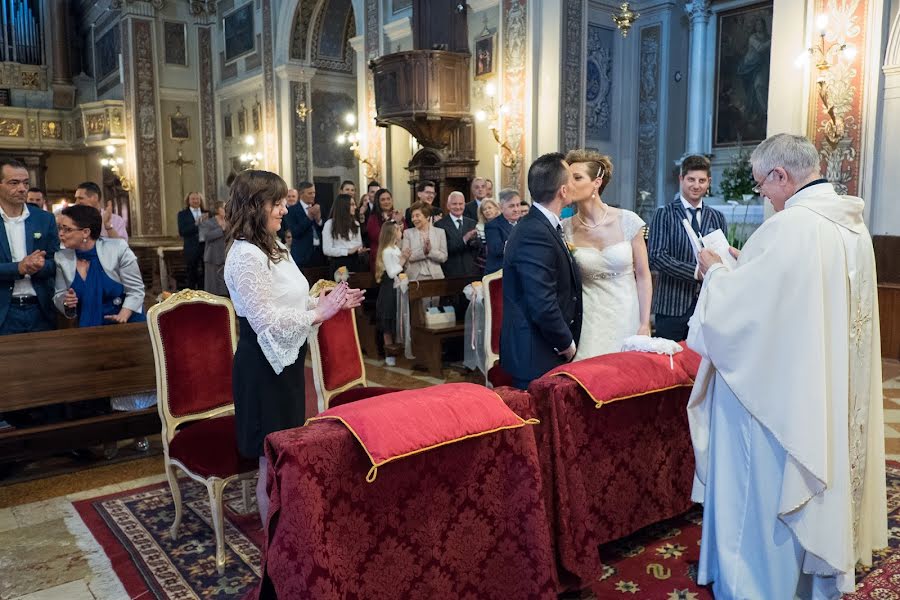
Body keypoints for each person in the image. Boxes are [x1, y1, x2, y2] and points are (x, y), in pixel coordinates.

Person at [687, 133, 887, 598]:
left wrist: (716, 271)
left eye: (761, 184)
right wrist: (744, 266)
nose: (762, 194)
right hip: (827, 386)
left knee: (761, 491)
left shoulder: (790, 227)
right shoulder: (850, 225)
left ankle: (755, 584)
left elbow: (739, 317)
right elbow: (793, 299)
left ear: (782, 175)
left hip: (779, 401)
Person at [224, 169, 364, 523]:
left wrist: (330, 303)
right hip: (261, 368)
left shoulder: (275, 246)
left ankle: (290, 533)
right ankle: (275, 545)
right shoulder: (244, 256)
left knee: (286, 451)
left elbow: (291, 304)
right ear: (255, 206)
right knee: (268, 461)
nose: (285, 209)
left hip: (285, 362)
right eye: (277, 202)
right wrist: (319, 313)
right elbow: (266, 320)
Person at [500, 153, 582, 390]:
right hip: (537, 352)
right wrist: (566, 342)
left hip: (542, 349)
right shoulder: (535, 231)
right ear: (563, 191)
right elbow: (542, 301)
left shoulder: (542, 225)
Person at [562, 150, 651, 358]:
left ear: (597, 182)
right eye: (567, 179)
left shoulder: (629, 221)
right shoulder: (564, 228)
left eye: (577, 178)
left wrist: (644, 323)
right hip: (588, 319)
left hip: (626, 313)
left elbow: (643, 274)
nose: (569, 184)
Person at [648, 154, 726, 342]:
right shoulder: (664, 214)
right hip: (672, 306)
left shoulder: (717, 217)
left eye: (701, 180)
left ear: (709, 182)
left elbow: (721, 256)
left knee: (699, 365)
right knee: (669, 365)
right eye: (691, 179)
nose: (696, 185)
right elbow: (657, 256)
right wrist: (696, 272)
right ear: (681, 179)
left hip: (707, 307)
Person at [54, 204, 146, 326]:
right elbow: (59, 295)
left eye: (67, 229)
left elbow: (136, 290)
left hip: (126, 323)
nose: (61, 234)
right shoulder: (61, 258)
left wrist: (123, 315)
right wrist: (66, 302)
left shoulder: (117, 249)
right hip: (88, 328)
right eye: (60, 228)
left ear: (86, 232)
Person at [0, 158, 59, 336]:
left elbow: (56, 262)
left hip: (40, 309)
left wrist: (40, 265)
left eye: (26, 183)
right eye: (14, 183)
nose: (22, 189)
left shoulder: (44, 219)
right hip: (5, 311)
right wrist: (18, 268)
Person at [374, 221, 407, 366]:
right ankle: (389, 353)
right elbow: (392, 271)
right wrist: (404, 260)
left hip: (398, 287)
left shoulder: (396, 248)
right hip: (389, 288)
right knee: (388, 320)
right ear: (392, 233)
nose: (401, 232)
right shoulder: (387, 251)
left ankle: (398, 351)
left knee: (396, 318)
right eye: (399, 230)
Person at [434, 191, 480, 278]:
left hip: (471, 272)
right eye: (454, 204)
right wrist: (465, 239)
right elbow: (445, 249)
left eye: (460, 204)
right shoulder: (439, 225)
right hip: (450, 273)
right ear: (448, 206)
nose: (458, 207)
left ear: (464, 205)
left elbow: (477, 248)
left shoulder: (472, 223)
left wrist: (475, 241)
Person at [283, 181, 325, 268]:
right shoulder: (292, 211)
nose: (313, 195)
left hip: (319, 255)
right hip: (302, 256)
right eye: (310, 193)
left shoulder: (318, 207)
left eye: (314, 193)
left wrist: (318, 220)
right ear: (301, 194)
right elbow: (295, 232)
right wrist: (309, 217)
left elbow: (324, 229)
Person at [322, 193, 367, 273]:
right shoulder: (329, 224)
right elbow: (327, 250)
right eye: (352, 205)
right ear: (343, 206)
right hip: (339, 262)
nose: (355, 207)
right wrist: (347, 251)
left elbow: (358, 243)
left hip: (355, 261)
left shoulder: (356, 224)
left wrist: (360, 249)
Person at [403, 202, 447, 282]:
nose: (414, 219)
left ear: (427, 217)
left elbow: (444, 257)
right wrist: (423, 252)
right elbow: (407, 257)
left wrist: (430, 251)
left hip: (435, 277)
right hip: (414, 277)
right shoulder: (407, 233)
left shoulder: (440, 232)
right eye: (412, 216)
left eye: (417, 216)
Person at [366, 188, 402, 272]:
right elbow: (380, 237)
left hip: (396, 257)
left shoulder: (397, 215)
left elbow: (404, 235)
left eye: (388, 199)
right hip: (380, 258)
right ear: (378, 202)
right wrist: (392, 222)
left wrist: (399, 222)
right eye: (383, 199)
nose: (386, 202)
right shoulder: (373, 218)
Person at [484, 189, 520, 274]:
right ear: (501, 207)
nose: (516, 209)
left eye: (518, 205)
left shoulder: (525, 223)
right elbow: (497, 250)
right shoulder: (493, 225)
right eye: (511, 206)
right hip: (499, 274)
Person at [177, 191, 207, 290]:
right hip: (191, 249)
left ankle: (204, 296)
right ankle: (192, 298)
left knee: (205, 274)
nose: (195, 201)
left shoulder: (206, 213)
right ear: (188, 201)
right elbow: (182, 232)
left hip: (205, 248)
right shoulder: (182, 214)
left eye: (197, 199)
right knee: (191, 274)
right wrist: (195, 224)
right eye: (193, 199)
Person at [199, 201, 228, 296]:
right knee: (212, 288)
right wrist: (221, 229)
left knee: (225, 289)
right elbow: (205, 236)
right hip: (212, 258)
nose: (226, 210)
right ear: (218, 210)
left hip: (226, 258)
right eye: (224, 208)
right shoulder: (207, 223)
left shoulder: (230, 222)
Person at [474, 198, 500, 272]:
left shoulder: (503, 223)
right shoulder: (479, 227)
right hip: (484, 264)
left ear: (496, 208)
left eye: (489, 208)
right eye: (484, 209)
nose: (487, 211)